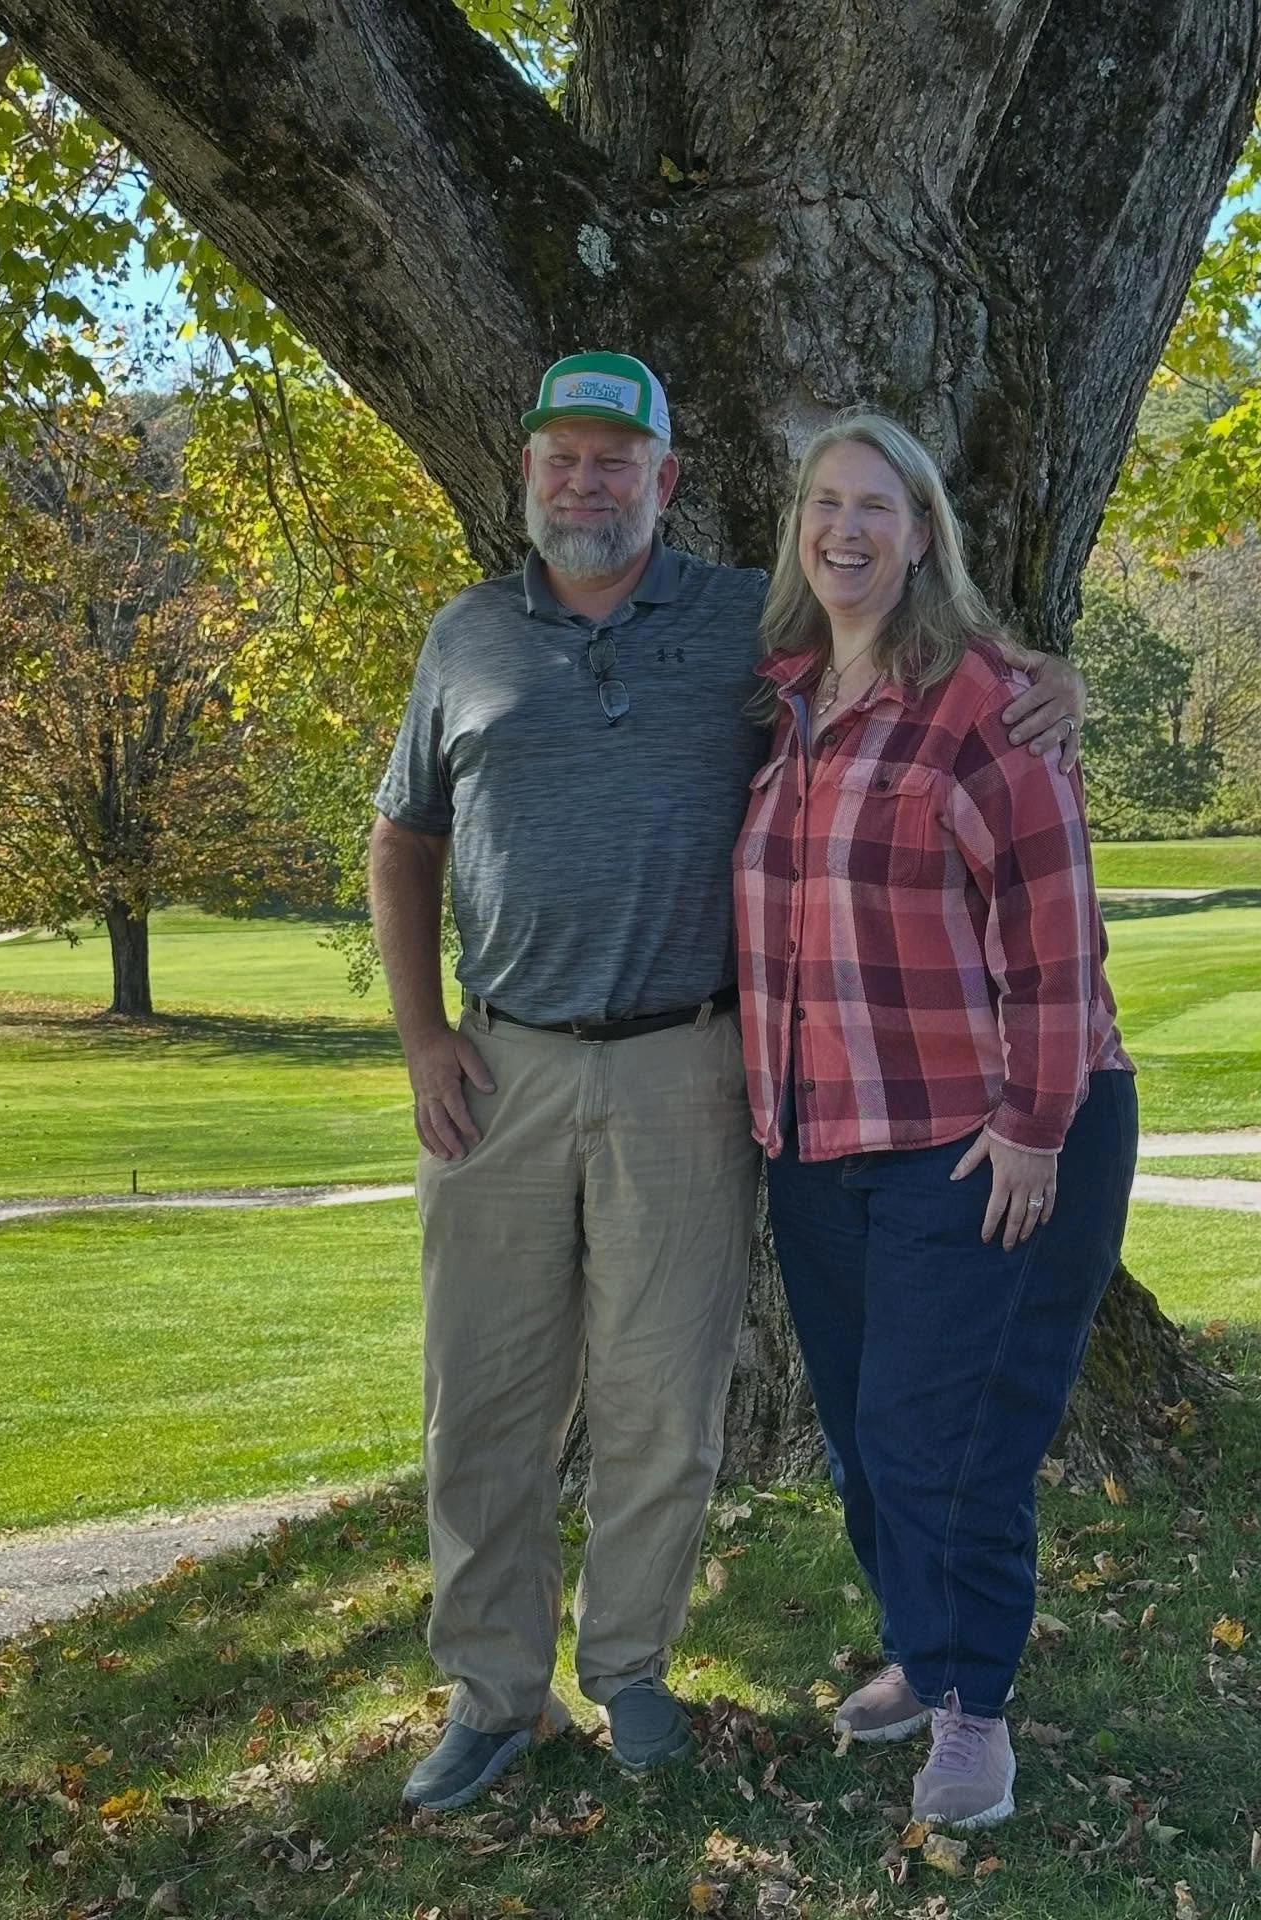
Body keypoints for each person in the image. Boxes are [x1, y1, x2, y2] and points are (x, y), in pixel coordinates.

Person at [369, 354, 1084, 1814]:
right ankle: (495, 1692)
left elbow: (930, 670)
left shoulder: (733, 631)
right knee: (485, 1399)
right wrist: (420, 1030)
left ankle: (629, 1670)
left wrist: (1048, 683)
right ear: (527, 475)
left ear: (666, 480)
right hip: (497, 1068)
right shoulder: (466, 638)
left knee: (662, 1402)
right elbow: (403, 840)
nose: (587, 484)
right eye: (562, 460)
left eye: (616, 461)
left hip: (688, 1066)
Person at [733, 410, 1137, 1832]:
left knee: (943, 1437)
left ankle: (974, 1713)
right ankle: (923, 1643)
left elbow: (1052, 933)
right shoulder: (782, 698)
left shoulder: (984, 702)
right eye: (825, 504)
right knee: (859, 1433)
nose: (845, 530)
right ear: (799, 527)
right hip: (821, 1139)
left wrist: (1037, 1125)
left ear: (924, 536)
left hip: (982, 1136)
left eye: (878, 508)